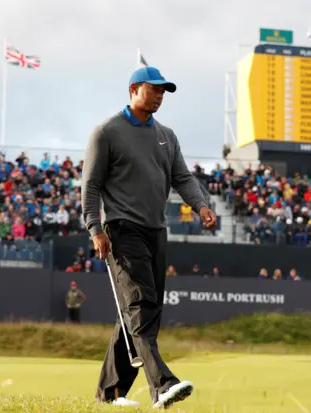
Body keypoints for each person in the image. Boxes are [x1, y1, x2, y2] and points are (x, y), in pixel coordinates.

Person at [81, 66, 217, 408]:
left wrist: (200, 205)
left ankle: (109, 394)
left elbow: (182, 178)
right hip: (120, 230)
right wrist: (95, 228)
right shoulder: (107, 132)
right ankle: (161, 384)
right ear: (133, 89)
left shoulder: (167, 136)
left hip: (156, 231)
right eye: (154, 89)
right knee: (140, 303)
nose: (159, 95)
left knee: (144, 309)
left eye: (163, 91)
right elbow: (91, 185)